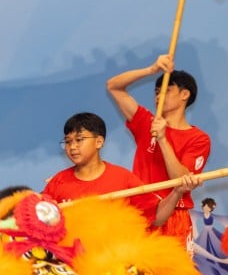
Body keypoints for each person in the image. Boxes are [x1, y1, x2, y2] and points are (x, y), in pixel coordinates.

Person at [106, 54, 211, 248]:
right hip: (140, 213)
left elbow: (181, 181)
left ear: (184, 95)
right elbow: (114, 86)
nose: (157, 97)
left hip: (173, 217)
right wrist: (151, 69)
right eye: (156, 92)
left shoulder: (199, 138)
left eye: (165, 91)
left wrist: (162, 138)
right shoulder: (145, 122)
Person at [42, 112, 197, 227]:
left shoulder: (123, 178)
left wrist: (177, 192)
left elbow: (157, 217)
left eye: (79, 140)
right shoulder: (58, 182)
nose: (72, 147)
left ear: (99, 142)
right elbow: (39, 222)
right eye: (67, 142)